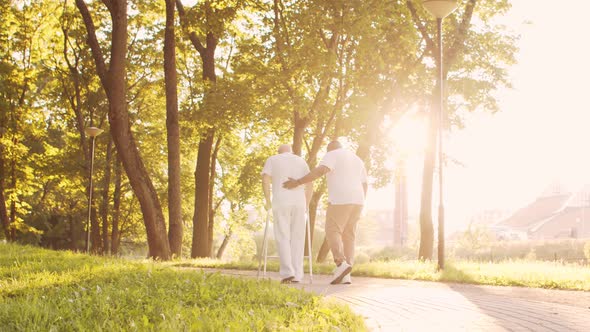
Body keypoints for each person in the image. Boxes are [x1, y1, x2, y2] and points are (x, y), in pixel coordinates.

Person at [283, 140, 367, 285]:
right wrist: (362, 201)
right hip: (358, 201)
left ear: (329, 149)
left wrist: (298, 182)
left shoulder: (332, 154)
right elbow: (365, 183)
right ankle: (346, 275)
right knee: (349, 235)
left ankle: (341, 263)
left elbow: (320, 171)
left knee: (332, 230)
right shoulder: (357, 159)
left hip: (341, 199)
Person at [261, 144, 313, 283]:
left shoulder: (273, 159)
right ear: (292, 151)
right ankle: (297, 275)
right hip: (299, 203)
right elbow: (310, 183)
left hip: (281, 201)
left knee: (282, 235)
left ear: (278, 151)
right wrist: (306, 204)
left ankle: (287, 272)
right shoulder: (301, 161)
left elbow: (265, 179)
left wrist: (267, 200)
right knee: (298, 238)